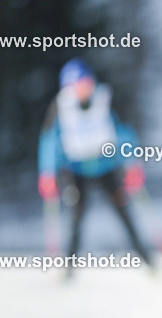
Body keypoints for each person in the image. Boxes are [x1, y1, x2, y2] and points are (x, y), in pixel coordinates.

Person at [37, 59, 152, 272]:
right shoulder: (60, 107)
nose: (82, 89)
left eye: (85, 83)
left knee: (124, 213)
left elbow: (124, 132)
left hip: (106, 166)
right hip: (75, 170)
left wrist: (132, 164)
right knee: (76, 218)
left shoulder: (105, 100)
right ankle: (68, 269)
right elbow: (49, 140)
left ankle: (147, 259)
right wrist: (47, 173)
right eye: (76, 85)